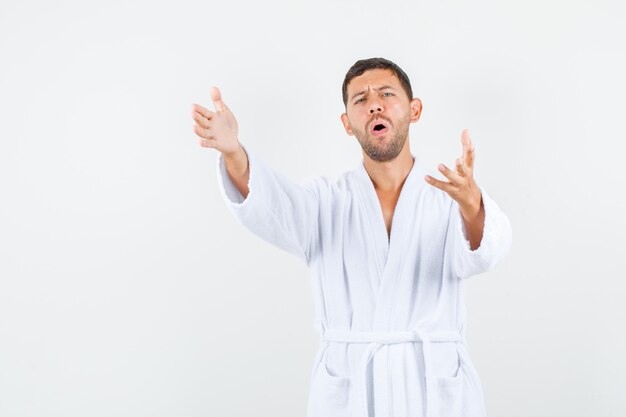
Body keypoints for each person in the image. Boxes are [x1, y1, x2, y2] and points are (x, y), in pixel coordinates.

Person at [191, 57, 512, 417]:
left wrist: (472, 205)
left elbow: (487, 254)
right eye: (360, 99)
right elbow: (272, 206)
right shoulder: (325, 200)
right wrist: (234, 153)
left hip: (433, 389)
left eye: (386, 93)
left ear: (414, 109)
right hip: (351, 391)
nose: (374, 103)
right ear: (347, 123)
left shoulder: (449, 197)